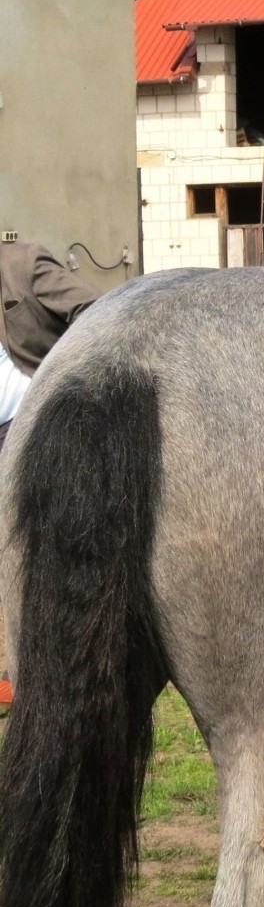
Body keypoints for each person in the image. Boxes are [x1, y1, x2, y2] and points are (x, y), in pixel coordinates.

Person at [0, 240, 99, 711]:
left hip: (32, 427)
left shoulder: (22, 264)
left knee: (33, 552)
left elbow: (95, 311)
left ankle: (33, 668)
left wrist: (57, 381)